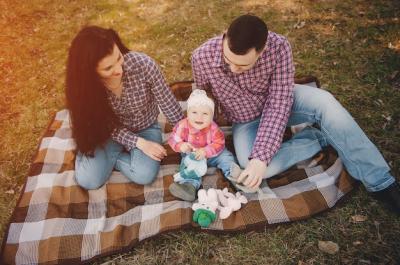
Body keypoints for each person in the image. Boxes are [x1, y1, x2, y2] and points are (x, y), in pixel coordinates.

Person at [191, 14, 400, 213]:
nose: (233, 68)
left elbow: (279, 102)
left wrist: (261, 156)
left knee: (325, 101)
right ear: (225, 34)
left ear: (262, 50)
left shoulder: (279, 46)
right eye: (228, 62)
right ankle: (317, 137)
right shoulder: (201, 57)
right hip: (246, 119)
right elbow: (203, 96)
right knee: (250, 164)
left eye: (242, 65)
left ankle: (380, 181)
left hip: (284, 103)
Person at [66, 26, 183, 189]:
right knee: (89, 180)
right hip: (109, 134)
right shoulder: (87, 90)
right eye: (108, 68)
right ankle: (103, 156)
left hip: (145, 127)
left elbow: (167, 101)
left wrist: (186, 133)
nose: (119, 70)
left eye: (118, 57)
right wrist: (139, 144)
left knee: (144, 175)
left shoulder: (143, 65)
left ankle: (113, 158)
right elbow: (105, 125)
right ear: (89, 72)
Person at [168, 89, 242, 201]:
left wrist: (206, 151)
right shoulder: (182, 125)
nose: (199, 118)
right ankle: (189, 187)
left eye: (205, 114)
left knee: (226, 157)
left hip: (213, 155)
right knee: (188, 167)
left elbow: (219, 143)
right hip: (193, 156)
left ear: (211, 116)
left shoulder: (213, 128)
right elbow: (173, 139)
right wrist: (181, 145)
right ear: (188, 113)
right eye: (194, 112)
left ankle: (236, 177)